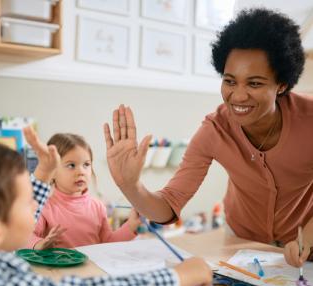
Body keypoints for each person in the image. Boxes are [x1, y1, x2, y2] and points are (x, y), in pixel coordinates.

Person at [0, 127, 212, 286]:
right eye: (29, 201)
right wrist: (176, 277)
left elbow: (107, 240)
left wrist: (41, 174)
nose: (36, 204)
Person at [103, 8, 313, 268]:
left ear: (281, 85)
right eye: (230, 81)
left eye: (255, 84)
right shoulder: (215, 130)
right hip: (242, 244)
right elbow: (169, 206)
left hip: (306, 244)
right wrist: (130, 186)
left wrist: (308, 239)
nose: (238, 96)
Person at [27, 133, 141, 249]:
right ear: (53, 171)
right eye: (71, 165)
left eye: (86, 164)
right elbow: (27, 235)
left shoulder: (98, 206)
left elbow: (108, 242)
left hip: (92, 267)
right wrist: (39, 244)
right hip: (58, 268)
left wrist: (131, 226)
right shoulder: (44, 206)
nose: (81, 171)